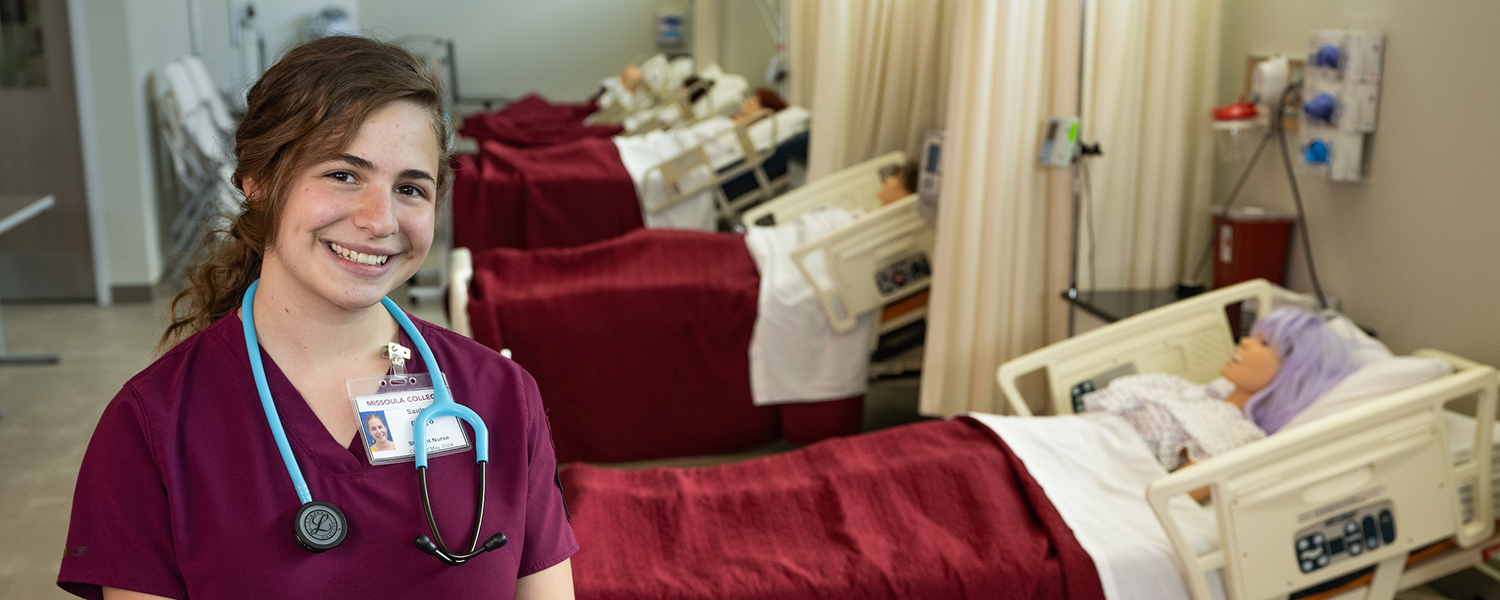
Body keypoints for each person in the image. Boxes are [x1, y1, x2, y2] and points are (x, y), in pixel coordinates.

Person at [58, 36, 576, 599]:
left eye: (409, 188)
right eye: (342, 175)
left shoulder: (499, 398)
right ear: (258, 181)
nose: (379, 220)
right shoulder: (153, 427)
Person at [1082, 307, 1358, 471]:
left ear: (1293, 375)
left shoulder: (1239, 438)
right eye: (1252, 335)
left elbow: (1171, 496)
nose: (1245, 342)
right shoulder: (1190, 391)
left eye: (1263, 343)